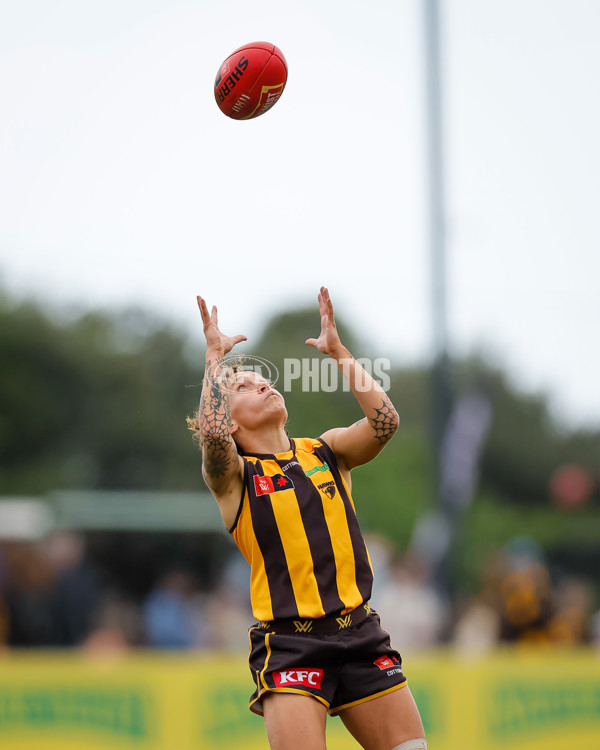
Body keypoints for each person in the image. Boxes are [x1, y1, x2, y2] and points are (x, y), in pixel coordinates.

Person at [188, 287, 426, 750]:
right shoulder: (234, 476)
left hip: (359, 631)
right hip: (292, 643)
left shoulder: (326, 450)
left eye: (262, 380)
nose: (261, 383)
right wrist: (215, 364)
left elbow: (385, 423)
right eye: (244, 386)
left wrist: (339, 352)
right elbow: (213, 434)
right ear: (232, 422)